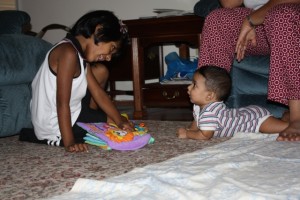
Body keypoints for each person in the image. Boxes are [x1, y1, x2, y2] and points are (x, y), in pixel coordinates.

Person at [19, 10, 134, 152]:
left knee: (113, 122)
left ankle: (96, 121)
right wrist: (69, 142)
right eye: (111, 49)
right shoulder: (68, 53)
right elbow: (62, 103)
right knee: (104, 129)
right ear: (99, 31)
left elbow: (98, 92)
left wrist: (119, 120)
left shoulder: (78, 54)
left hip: (74, 112)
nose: (109, 58)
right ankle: (51, 137)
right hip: (53, 123)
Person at [197, 0, 300, 141]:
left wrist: (252, 19)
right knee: (218, 20)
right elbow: (229, 3)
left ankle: (297, 117)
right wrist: (253, 19)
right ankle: (207, 115)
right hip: (260, 24)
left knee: (281, 16)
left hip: (289, 17)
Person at [177, 65, 289, 140]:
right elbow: (197, 121)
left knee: (286, 129)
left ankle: (289, 121)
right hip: (247, 113)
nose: (189, 87)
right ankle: (285, 117)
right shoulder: (199, 106)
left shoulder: (210, 112)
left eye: (194, 85)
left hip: (255, 120)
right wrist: (191, 130)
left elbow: (205, 135)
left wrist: (187, 134)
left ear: (209, 96)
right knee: (280, 124)